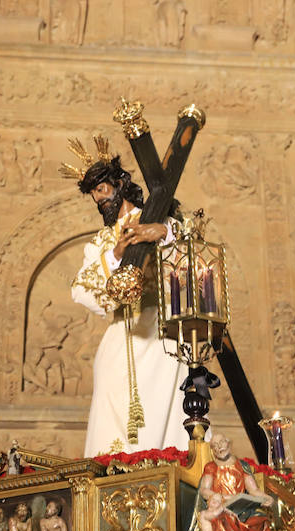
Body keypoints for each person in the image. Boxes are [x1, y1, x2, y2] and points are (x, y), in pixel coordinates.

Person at [69, 149, 186, 456]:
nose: (99, 199)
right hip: (123, 334)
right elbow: (81, 290)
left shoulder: (160, 217)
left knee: (166, 404)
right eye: (94, 194)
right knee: (110, 399)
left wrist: (163, 232)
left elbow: (190, 254)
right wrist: (116, 256)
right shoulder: (101, 244)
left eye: (102, 189)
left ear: (120, 184)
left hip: (162, 335)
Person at [196, 433, 273, 531]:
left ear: (228, 443)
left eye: (221, 443)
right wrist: (221, 497)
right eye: (214, 446)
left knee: (261, 519)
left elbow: (253, 490)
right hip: (222, 508)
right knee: (226, 519)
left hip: (242, 509)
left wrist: (266, 498)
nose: (218, 447)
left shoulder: (242, 465)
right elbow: (204, 490)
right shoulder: (211, 467)